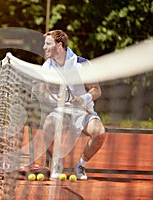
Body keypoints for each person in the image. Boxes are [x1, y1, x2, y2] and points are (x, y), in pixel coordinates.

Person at [41, 30, 106, 180]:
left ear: (59, 45)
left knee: (100, 133)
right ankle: (56, 163)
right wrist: (55, 99)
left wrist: (83, 99)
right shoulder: (47, 67)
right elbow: (42, 92)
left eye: (48, 44)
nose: (44, 47)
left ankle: (81, 165)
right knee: (48, 126)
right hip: (61, 111)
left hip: (84, 112)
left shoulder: (81, 64)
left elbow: (97, 90)